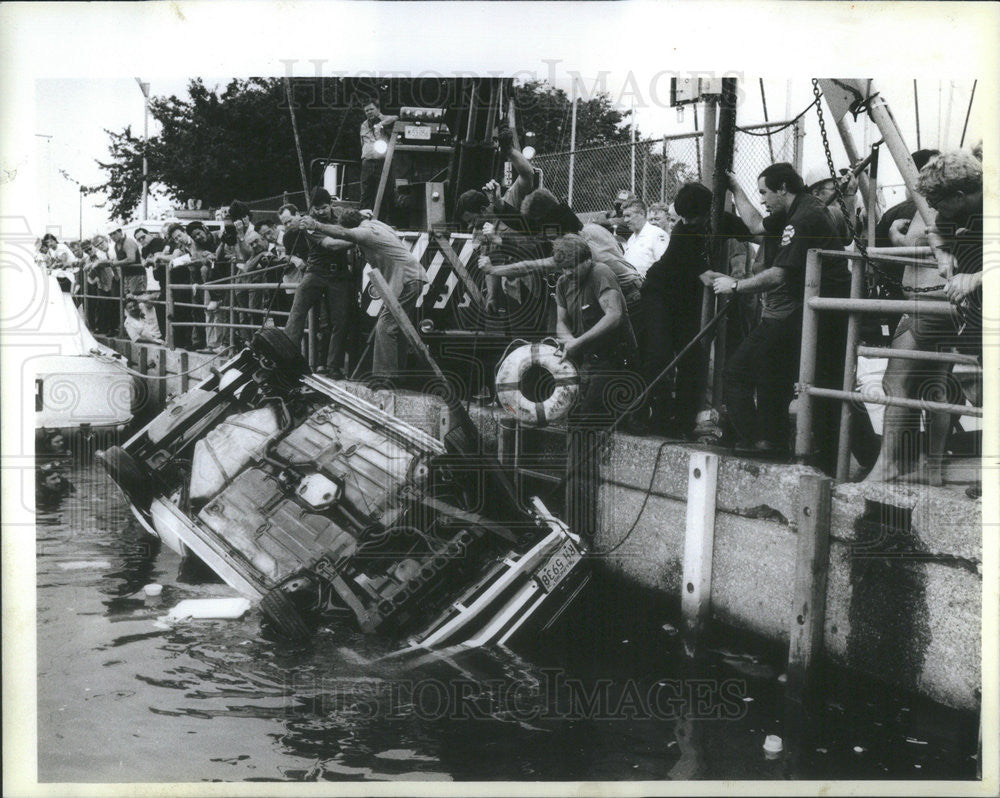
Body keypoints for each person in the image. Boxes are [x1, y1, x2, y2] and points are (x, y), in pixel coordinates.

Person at [712, 163, 854, 467]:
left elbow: (778, 275)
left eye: (765, 192)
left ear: (782, 189)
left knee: (740, 371)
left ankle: (763, 441)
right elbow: (755, 225)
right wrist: (736, 187)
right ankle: (774, 442)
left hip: (822, 313)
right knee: (805, 381)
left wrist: (735, 285)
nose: (762, 199)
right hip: (815, 310)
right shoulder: (798, 208)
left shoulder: (802, 218)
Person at [865, 149, 983, 486]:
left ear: (957, 195)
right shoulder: (946, 208)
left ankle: (896, 464)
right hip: (941, 304)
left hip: (938, 303)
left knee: (904, 381)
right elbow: (935, 232)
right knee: (929, 385)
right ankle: (925, 467)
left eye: (936, 200)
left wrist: (972, 277)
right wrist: (943, 253)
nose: (931, 206)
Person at [644, 182, 757, 438]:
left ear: (709, 212)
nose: (686, 221)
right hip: (660, 294)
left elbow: (756, 232)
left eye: (693, 216)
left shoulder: (723, 220)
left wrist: (739, 191)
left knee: (693, 360)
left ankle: (683, 423)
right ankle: (656, 414)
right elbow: (706, 277)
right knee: (659, 353)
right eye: (682, 215)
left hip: (688, 301)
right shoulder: (682, 232)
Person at [553, 233, 635, 542]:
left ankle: (577, 522)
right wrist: (568, 341)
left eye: (571, 269)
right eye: (562, 271)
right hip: (585, 362)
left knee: (583, 423)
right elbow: (560, 321)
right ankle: (572, 513)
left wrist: (578, 342)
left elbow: (614, 315)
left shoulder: (601, 273)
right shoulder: (563, 283)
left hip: (613, 362)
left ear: (586, 260)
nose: (566, 276)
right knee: (574, 420)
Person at [301, 207, 427, 384]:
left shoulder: (365, 233)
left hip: (405, 281)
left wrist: (316, 225)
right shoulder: (377, 224)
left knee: (386, 327)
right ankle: (397, 374)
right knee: (398, 327)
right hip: (413, 278)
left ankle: (385, 379)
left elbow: (342, 233)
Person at [281, 187, 356, 377]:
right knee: (297, 312)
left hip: (339, 275)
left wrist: (364, 216)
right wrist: (357, 240)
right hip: (316, 272)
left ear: (331, 205)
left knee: (341, 320)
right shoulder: (309, 224)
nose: (319, 212)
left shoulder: (341, 216)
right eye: (316, 209)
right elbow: (331, 244)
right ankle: (286, 358)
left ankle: (333, 367)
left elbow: (355, 219)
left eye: (323, 208)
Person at [359, 98, 399, 216]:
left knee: (384, 193)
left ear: (378, 109)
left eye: (371, 109)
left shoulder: (386, 120)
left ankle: (382, 221)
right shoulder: (364, 125)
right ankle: (363, 219)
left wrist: (380, 124)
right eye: (366, 111)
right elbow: (362, 142)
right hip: (367, 162)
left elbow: (396, 117)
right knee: (366, 193)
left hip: (383, 162)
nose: (369, 112)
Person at [621, 199, 668, 278]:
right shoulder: (632, 238)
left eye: (628, 216)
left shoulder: (657, 234)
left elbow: (665, 267)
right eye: (624, 216)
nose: (625, 220)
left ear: (642, 214)